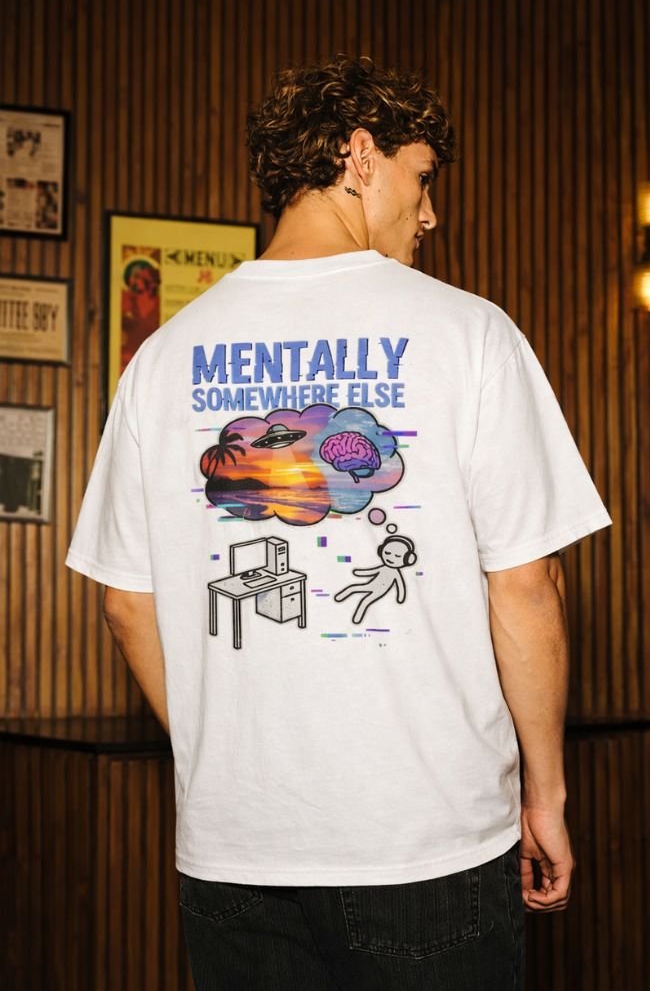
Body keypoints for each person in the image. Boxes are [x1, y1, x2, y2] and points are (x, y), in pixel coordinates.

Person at [66, 55, 612, 990]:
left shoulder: (160, 357)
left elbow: (126, 604)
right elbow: (525, 585)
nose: (429, 213)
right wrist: (546, 793)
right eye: (422, 177)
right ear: (361, 156)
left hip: (233, 849)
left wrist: (221, 754)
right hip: (426, 840)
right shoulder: (470, 332)